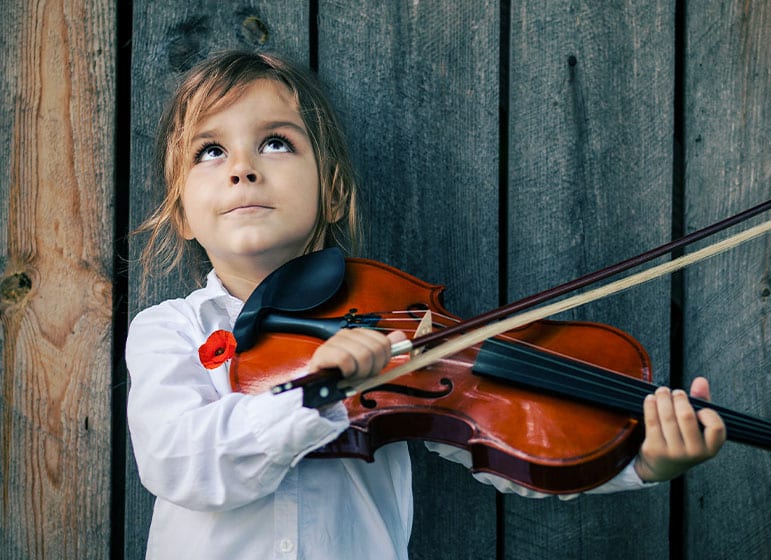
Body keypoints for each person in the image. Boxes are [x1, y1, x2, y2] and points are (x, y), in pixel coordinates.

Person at [126, 50, 726, 560]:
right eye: (209, 151)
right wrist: (321, 390)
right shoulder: (168, 330)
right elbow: (177, 460)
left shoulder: (401, 328)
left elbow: (509, 439)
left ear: (332, 192)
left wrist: (639, 460)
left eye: (276, 142)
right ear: (180, 211)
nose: (242, 169)